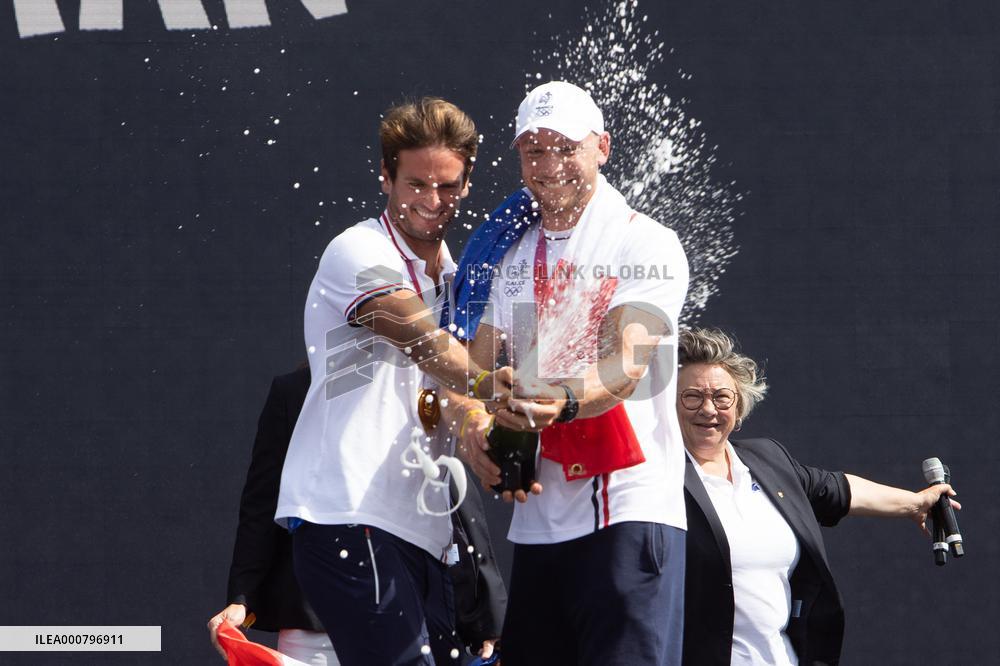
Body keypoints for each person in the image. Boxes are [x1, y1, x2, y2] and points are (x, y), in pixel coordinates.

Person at [453, 81, 691, 665]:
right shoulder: (506, 251)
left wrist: (559, 397)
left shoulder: (643, 241)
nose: (549, 165)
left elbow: (628, 364)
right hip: (536, 523)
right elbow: (472, 371)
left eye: (566, 148)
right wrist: (473, 427)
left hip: (627, 513)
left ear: (602, 147)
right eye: (534, 150)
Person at [274, 98, 508, 665]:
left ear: (468, 182)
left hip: (426, 532)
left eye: (447, 185)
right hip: (347, 515)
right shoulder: (357, 250)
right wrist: (505, 389)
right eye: (416, 184)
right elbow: (427, 344)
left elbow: (450, 397)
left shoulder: (463, 279)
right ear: (386, 177)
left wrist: (480, 426)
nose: (432, 201)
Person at [676, 327, 961, 665]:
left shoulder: (767, 459)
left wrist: (915, 502)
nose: (708, 409)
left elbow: (836, 490)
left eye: (722, 397)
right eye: (692, 396)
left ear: (738, 409)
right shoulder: (657, 478)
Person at [206, 365, 506, 663]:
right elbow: (262, 504)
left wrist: (486, 615)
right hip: (316, 623)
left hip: (408, 610)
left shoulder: (421, 386)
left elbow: (451, 496)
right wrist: (241, 598)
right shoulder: (297, 390)